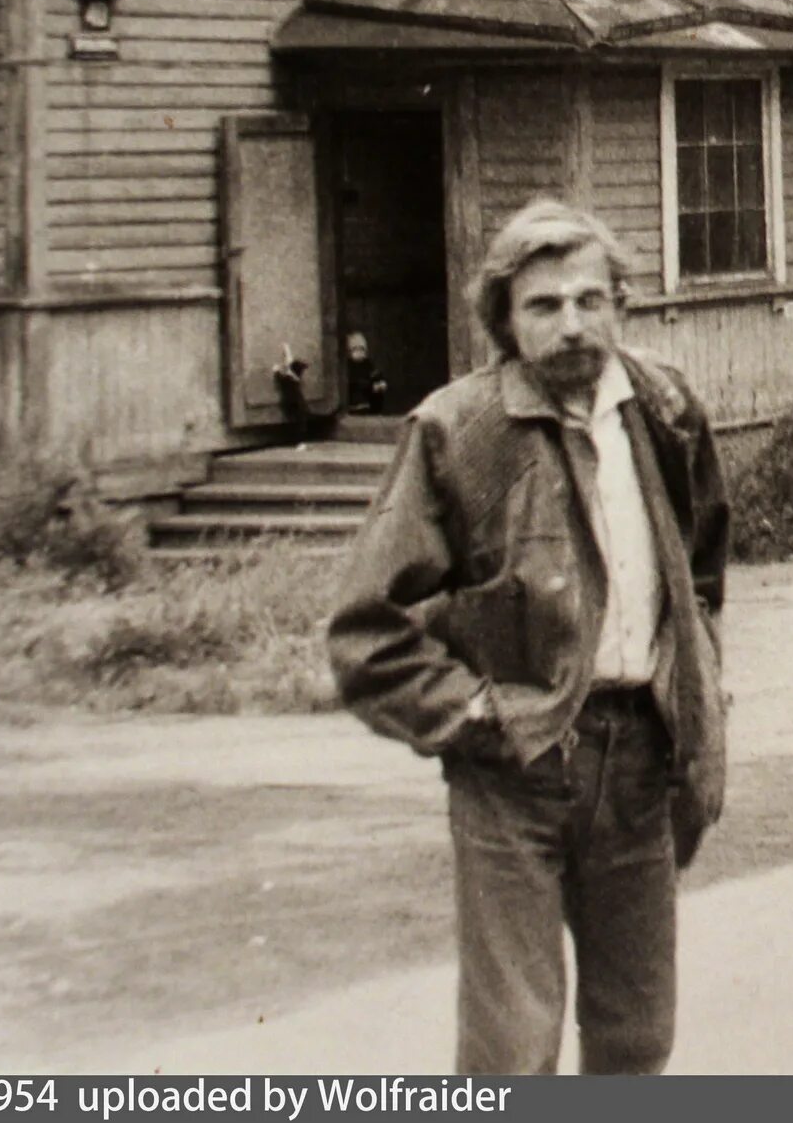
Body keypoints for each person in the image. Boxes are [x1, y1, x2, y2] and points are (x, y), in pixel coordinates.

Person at [330, 197, 729, 1076]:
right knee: (513, 1044)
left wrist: (695, 692)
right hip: (514, 773)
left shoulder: (666, 410)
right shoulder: (457, 431)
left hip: (640, 760)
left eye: (591, 300)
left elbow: (701, 573)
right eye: (543, 306)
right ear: (505, 322)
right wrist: (478, 719)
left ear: (622, 302)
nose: (573, 325)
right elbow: (367, 631)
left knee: (636, 1033)